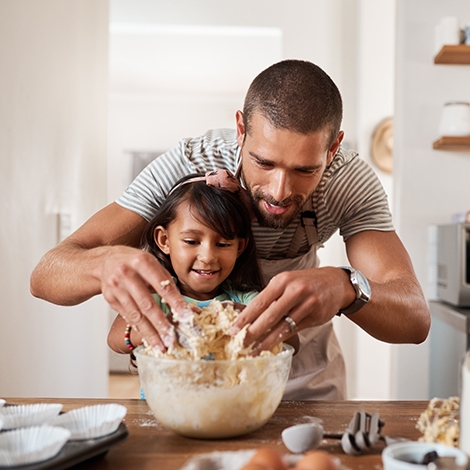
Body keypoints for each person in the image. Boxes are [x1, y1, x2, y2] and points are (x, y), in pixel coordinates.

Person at [30, 59, 430, 400]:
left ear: (334, 148)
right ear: (240, 130)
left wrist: (347, 285)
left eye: (305, 170)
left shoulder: (349, 182)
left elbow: (415, 319)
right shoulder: (188, 163)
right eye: (264, 162)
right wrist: (102, 264)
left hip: (305, 385)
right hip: (193, 392)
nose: (279, 191)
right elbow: (45, 275)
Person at [108, 171, 299, 355]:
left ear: (239, 247)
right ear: (164, 240)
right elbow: (115, 338)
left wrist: (245, 315)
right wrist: (164, 327)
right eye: (191, 242)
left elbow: (293, 342)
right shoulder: (157, 298)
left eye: (223, 244)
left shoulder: (245, 300)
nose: (207, 257)